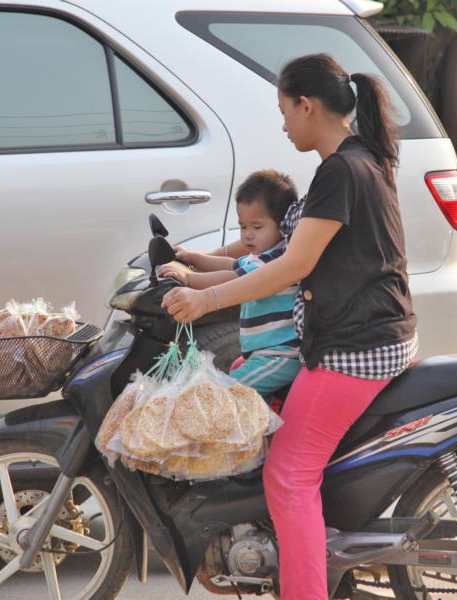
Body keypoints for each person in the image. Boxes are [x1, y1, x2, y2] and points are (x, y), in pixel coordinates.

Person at [161, 53, 417, 599]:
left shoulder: (341, 170)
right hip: (375, 334)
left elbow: (292, 265)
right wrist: (198, 262)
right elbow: (273, 246)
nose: (282, 123)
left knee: (289, 474)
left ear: (307, 105)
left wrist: (208, 303)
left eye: (284, 110)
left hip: (354, 349)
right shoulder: (359, 159)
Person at [158, 170, 301, 399]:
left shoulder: (278, 260)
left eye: (257, 227)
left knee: (226, 394)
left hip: (281, 356)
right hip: (260, 353)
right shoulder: (261, 255)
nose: (248, 236)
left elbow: (235, 279)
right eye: (243, 227)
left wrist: (190, 280)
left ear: (283, 225)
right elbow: (232, 265)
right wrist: (194, 258)